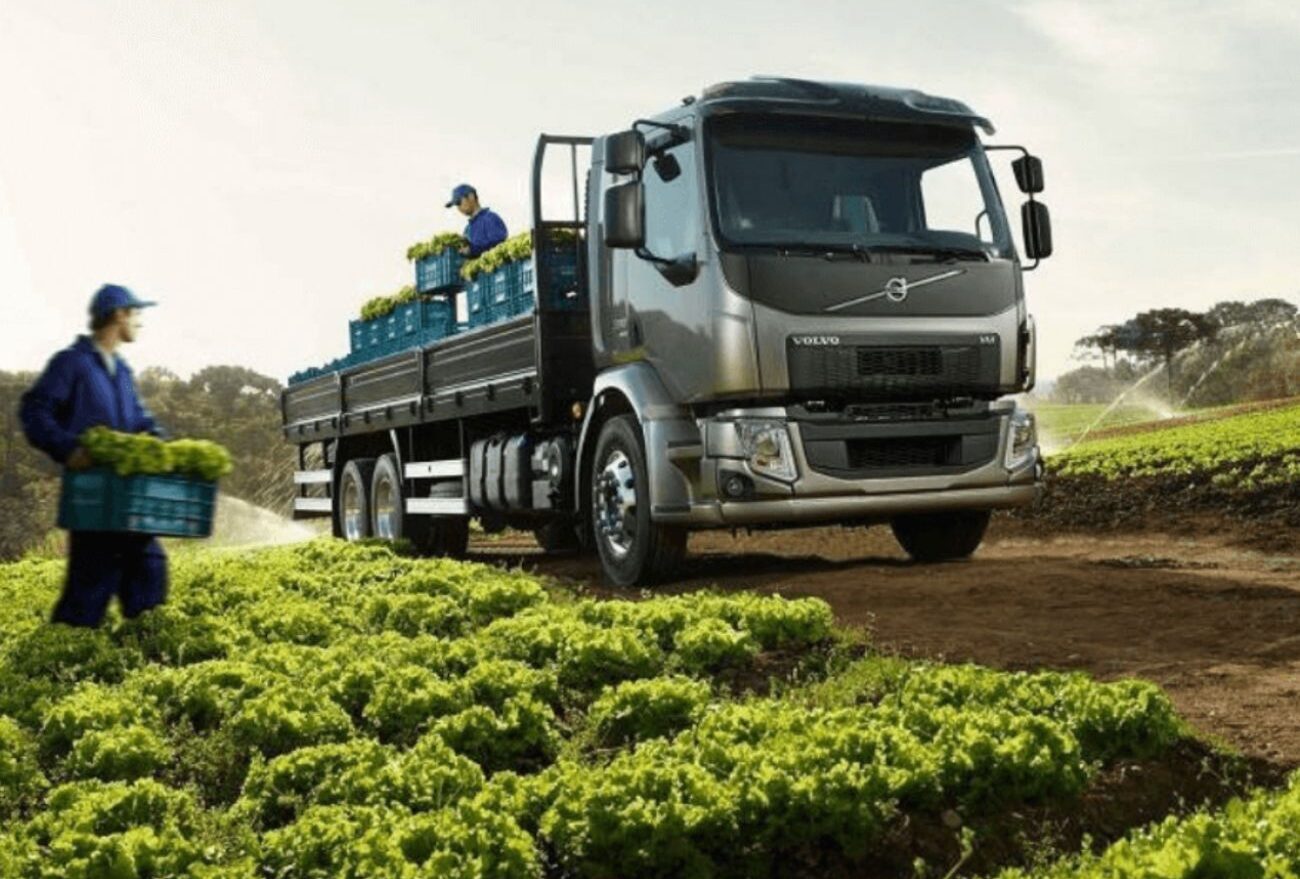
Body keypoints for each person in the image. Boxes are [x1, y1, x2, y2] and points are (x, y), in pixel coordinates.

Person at [19, 283, 170, 628]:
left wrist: (157, 439)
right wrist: (67, 447)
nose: (140, 322)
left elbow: (139, 419)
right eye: (136, 313)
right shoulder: (72, 363)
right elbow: (35, 410)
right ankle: (58, 659)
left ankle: (148, 653)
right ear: (119, 314)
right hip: (93, 500)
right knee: (88, 593)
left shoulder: (122, 372)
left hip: (129, 501)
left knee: (149, 572)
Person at [446, 183, 508, 257]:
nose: (459, 208)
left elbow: (500, 244)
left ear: (471, 197)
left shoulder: (490, 219)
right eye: (456, 205)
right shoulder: (467, 229)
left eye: (459, 202)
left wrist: (473, 250)